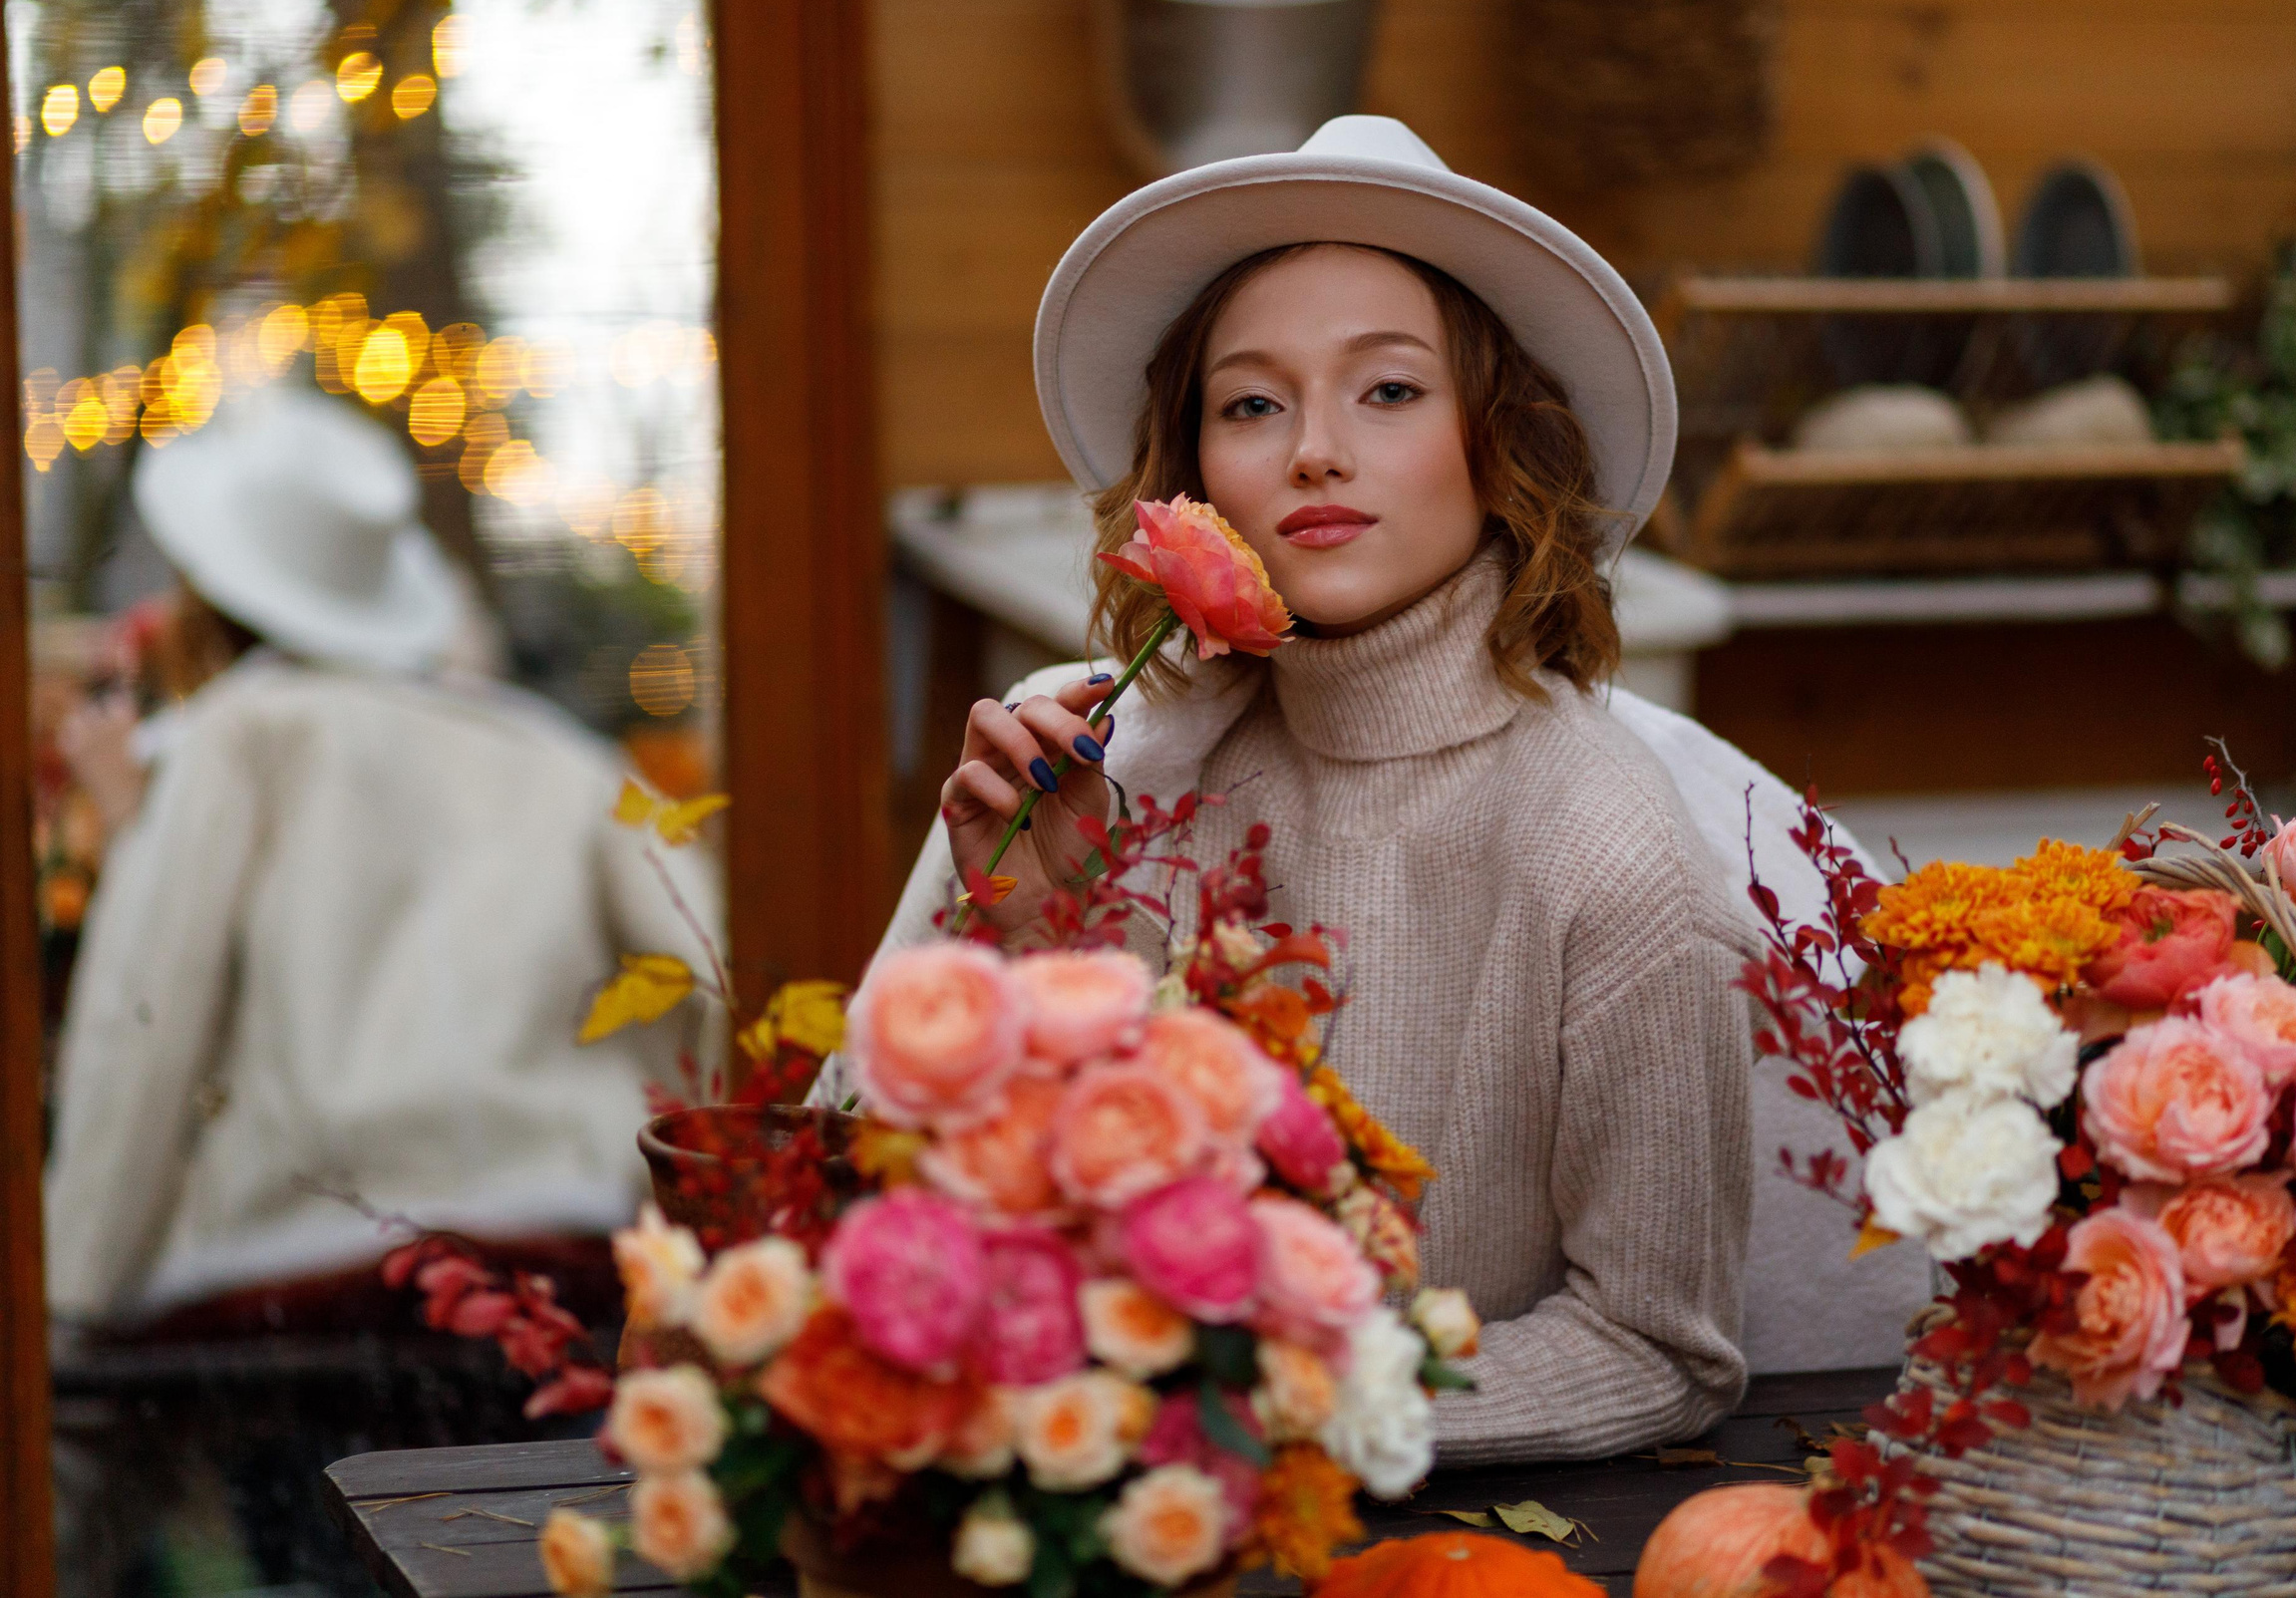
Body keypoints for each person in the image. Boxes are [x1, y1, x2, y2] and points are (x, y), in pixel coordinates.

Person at [816, 117, 1930, 1462]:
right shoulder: (1132, 769)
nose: (1315, 452)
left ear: (1501, 444)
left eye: (1388, 390)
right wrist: (1034, 926)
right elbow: (1009, 1218)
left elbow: (1659, 1348)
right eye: (1252, 402)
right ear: (1195, 473)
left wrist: (1277, 1411)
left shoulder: (1613, 856)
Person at [43, 387, 716, 1336]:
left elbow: (145, 1014)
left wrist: (75, 1285)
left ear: (206, 593)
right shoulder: (559, 756)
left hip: (303, 1267)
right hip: (568, 1244)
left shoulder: (235, 738)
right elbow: (705, 980)